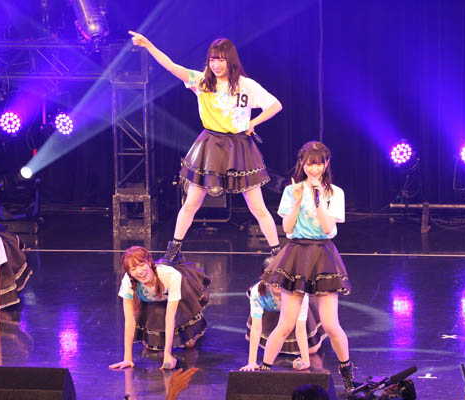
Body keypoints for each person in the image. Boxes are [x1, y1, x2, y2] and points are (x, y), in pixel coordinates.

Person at [128, 31, 283, 264]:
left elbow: (275, 105)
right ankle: (174, 251)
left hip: (239, 147)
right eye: (212, 59)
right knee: (191, 202)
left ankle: (277, 254)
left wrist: (253, 123)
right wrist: (149, 45)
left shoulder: (246, 85)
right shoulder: (201, 81)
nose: (216, 65)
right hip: (210, 145)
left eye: (221, 60)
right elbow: (171, 66)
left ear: (230, 61)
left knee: (257, 207)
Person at [259, 141, 355, 394]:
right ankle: (263, 373)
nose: (314, 169)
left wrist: (317, 199)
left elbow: (327, 227)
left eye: (319, 164)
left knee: (330, 324)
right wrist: (298, 201)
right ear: (302, 164)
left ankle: (347, 375)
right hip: (296, 254)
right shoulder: (292, 191)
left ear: (326, 164)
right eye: (309, 164)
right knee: (286, 323)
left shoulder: (335, 193)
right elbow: (287, 228)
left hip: (323, 254)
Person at [109, 246, 210, 370]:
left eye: (141, 264)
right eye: (133, 269)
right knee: (150, 346)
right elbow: (129, 320)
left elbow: (170, 317)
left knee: (189, 344)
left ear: (149, 262)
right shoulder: (128, 281)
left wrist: (168, 354)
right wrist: (127, 358)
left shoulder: (170, 275)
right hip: (153, 302)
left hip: (178, 299)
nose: (139, 272)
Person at [240, 279, 326, 371]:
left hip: (291, 315)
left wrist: (305, 361)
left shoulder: (298, 294)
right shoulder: (257, 293)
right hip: (271, 316)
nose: (277, 284)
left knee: (312, 350)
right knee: (274, 346)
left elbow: (300, 328)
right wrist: (252, 362)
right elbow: (256, 328)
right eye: (274, 281)